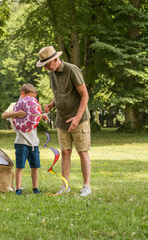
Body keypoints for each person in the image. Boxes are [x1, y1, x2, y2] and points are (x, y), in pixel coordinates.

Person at [36, 46, 92, 197]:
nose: (47, 68)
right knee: (65, 152)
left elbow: (85, 95)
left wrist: (77, 118)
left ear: (55, 59)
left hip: (79, 119)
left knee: (82, 152)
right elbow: (60, 92)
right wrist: (52, 104)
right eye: (44, 65)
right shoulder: (52, 73)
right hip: (62, 120)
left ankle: (86, 186)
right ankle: (65, 185)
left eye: (47, 64)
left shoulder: (72, 70)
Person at [1, 83, 48, 196]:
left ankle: (35, 188)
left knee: (35, 166)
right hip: (21, 141)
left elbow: (33, 117)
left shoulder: (31, 105)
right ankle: (18, 189)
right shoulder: (15, 104)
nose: (32, 100)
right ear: (23, 94)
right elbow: (3, 115)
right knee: (20, 166)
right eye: (31, 97)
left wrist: (42, 117)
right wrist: (16, 113)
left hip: (34, 142)